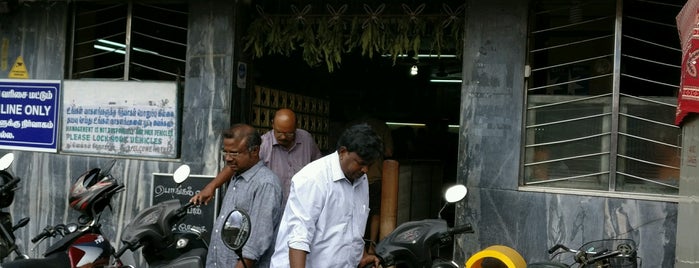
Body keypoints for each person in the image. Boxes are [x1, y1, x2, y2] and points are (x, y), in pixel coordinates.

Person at [270, 123, 383, 268]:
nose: (365, 169)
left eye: (370, 164)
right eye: (361, 163)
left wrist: (362, 256)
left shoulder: (361, 179)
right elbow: (298, 238)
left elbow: (354, 227)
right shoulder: (313, 178)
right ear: (343, 152)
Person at [190, 124, 282, 268]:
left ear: (255, 151)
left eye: (234, 153)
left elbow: (256, 242)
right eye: (225, 152)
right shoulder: (237, 175)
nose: (227, 158)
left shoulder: (266, 184)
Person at [193, 108, 322, 209]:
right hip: (274, 207)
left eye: (289, 133)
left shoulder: (306, 139)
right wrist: (212, 186)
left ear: (296, 127)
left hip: (302, 206)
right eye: (279, 132)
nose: (283, 137)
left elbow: (319, 169)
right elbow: (234, 164)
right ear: (272, 125)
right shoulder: (264, 144)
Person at [347, 115, 394, 253]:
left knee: (353, 211)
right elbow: (389, 152)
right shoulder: (382, 126)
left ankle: (358, 248)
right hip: (375, 176)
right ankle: (372, 246)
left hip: (353, 177)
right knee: (374, 212)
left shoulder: (354, 123)